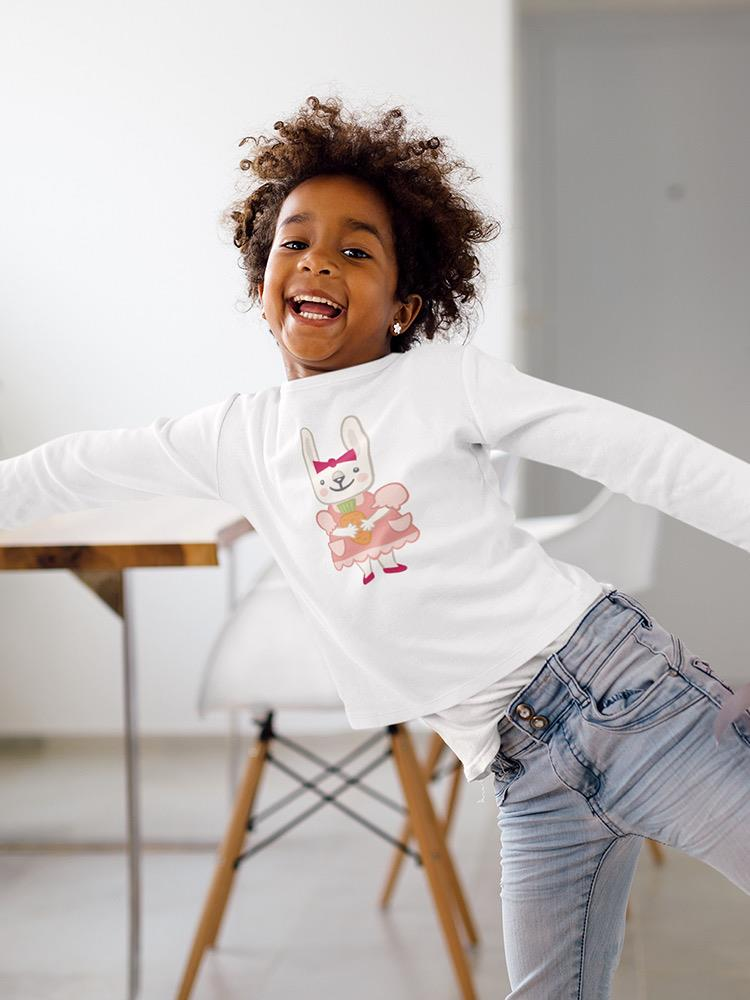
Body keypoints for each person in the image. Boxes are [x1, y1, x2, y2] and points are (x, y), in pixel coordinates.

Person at [2, 93, 749, 997]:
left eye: (357, 250)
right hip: (519, 776)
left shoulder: (440, 382)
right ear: (262, 278)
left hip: (623, 701)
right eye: (295, 241)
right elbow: (76, 465)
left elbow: (640, 454)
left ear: (406, 303)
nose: (318, 260)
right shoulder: (238, 436)